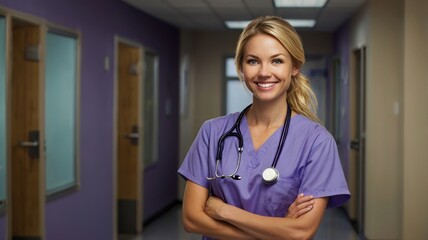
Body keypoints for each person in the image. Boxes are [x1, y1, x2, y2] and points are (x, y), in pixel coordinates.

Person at [178, 15, 350, 240]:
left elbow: (301, 231)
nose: (264, 72)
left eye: (277, 61)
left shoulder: (317, 142)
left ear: (295, 67)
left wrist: (224, 211)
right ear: (241, 67)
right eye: (253, 61)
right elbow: (191, 219)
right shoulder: (212, 133)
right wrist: (277, 232)